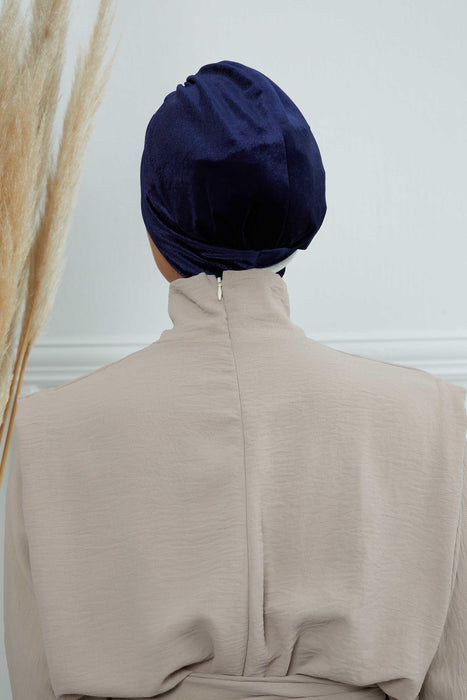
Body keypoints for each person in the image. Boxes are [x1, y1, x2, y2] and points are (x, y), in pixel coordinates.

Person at [3, 60, 467, 700]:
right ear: (302, 219)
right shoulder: (440, 419)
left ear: (156, 231)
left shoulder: (46, 431)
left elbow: (33, 682)